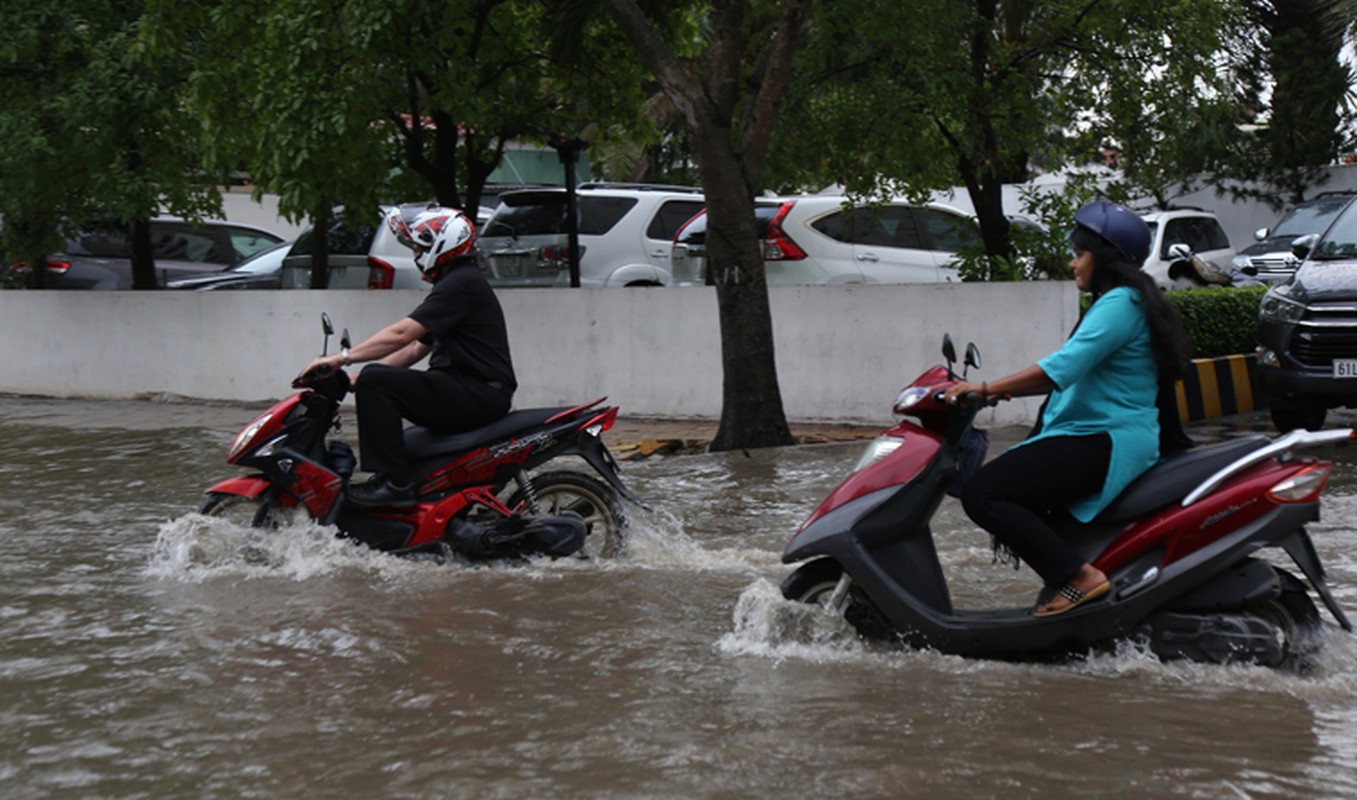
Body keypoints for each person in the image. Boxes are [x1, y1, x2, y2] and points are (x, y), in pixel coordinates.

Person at [942, 200, 1193, 617]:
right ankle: (1076, 591)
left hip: (1103, 438)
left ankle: (1080, 578)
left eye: (1079, 255)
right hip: (1101, 435)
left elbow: (1061, 369)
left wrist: (987, 388)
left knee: (983, 493)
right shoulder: (1130, 302)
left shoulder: (1118, 304)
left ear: (1105, 258)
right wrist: (998, 390)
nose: (1073, 264)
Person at [299, 206, 516, 507]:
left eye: (418, 246)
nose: (415, 254)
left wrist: (342, 358)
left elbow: (402, 335)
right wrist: (353, 381)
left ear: (441, 245)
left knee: (376, 380)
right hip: (470, 390)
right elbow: (415, 349)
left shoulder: (461, 283)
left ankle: (395, 487)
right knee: (401, 431)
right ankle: (404, 496)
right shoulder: (457, 284)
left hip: (477, 393)